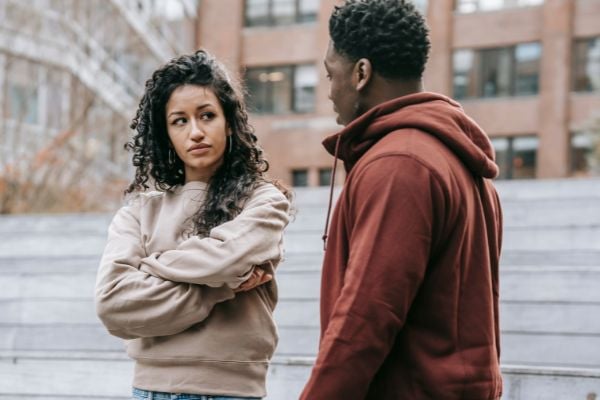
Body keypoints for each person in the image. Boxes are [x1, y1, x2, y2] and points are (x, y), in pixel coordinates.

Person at [300, 1, 503, 399]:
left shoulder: (399, 164)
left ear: (361, 73)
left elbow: (367, 316)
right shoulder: (452, 159)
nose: (328, 92)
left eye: (330, 74)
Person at [95, 50, 291, 400]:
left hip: (233, 392)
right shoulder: (139, 212)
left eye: (207, 115)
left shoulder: (264, 201)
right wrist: (220, 287)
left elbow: (228, 258)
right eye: (179, 121)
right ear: (165, 133)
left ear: (228, 122)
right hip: (151, 390)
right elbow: (113, 305)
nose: (196, 132)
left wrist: (151, 267)